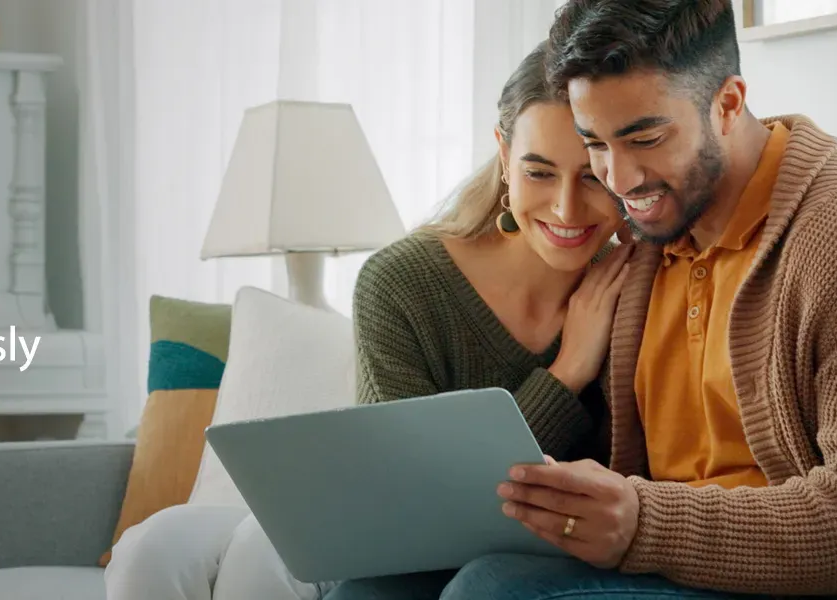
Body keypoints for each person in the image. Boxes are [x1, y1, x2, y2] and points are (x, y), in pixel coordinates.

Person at [329, 1, 837, 598]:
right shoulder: (645, 238)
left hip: (785, 581)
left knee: (494, 589)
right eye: (594, 143)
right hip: (652, 565)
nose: (618, 179)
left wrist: (645, 523)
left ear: (728, 104)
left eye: (643, 139)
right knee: (371, 590)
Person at [104, 46, 637, 600]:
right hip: (384, 518)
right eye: (539, 172)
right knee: (152, 546)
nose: (568, 209)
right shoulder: (403, 282)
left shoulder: (636, 288)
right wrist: (567, 370)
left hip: (503, 551)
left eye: (593, 177)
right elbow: (409, 497)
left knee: (262, 553)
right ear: (504, 156)